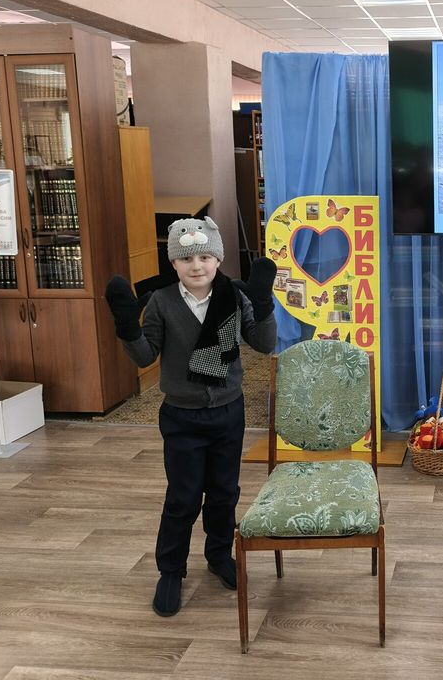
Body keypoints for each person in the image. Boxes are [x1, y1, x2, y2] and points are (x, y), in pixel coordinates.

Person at [104, 217, 277, 617]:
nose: (196, 266)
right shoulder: (162, 301)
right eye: (186, 259)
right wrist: (127, 326)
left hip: (228, 411)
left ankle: (218, 553)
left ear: (218, 259)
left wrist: (263, 304)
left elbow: (264, 343)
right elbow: (145, 356)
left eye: (204, 257)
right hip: (181, 416)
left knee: (224, 491)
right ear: (173, 264)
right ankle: (170, 570)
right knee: (183, 497)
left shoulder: (234, 296)